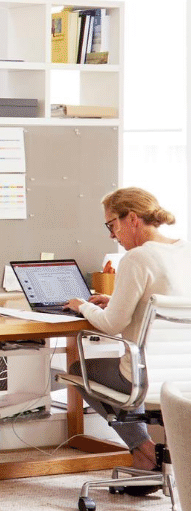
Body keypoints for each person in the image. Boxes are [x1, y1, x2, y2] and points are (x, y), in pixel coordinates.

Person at [65, 186, 191, 483]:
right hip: (183, 376)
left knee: (77, 369)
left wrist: (83, 307)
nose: (111, 235)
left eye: (112, 225)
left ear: (132, 219)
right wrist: (116, 302)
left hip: (141, 378)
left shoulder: (136, 259)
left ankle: (144, 450)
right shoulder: (184, 252)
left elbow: (110, 324)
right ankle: (146, 456)